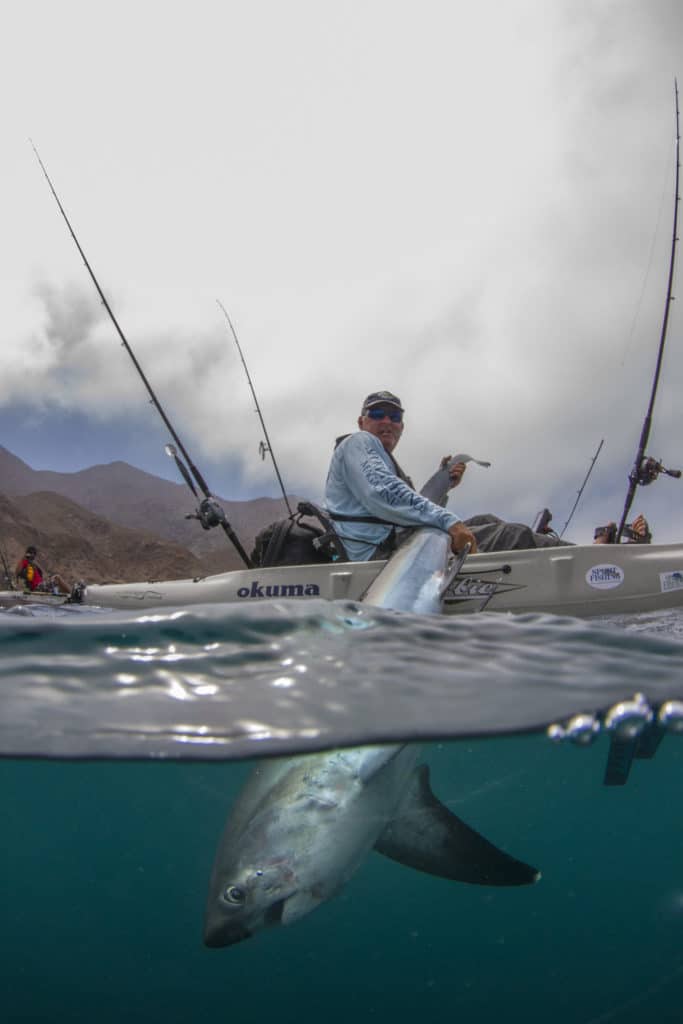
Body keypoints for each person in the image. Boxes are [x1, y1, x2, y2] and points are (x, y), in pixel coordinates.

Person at [324, 390, 477, 561]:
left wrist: (445, 483)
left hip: (398, 548)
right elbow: (384, 492)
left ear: (402, 427)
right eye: (377, 414)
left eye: (395, 417)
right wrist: (450, 522)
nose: (387, 421)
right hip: (380, 557)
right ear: (361, 422)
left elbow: (411, 513)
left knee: (483, 521)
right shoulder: (358, 442)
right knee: (507, 535)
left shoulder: (385, 465)